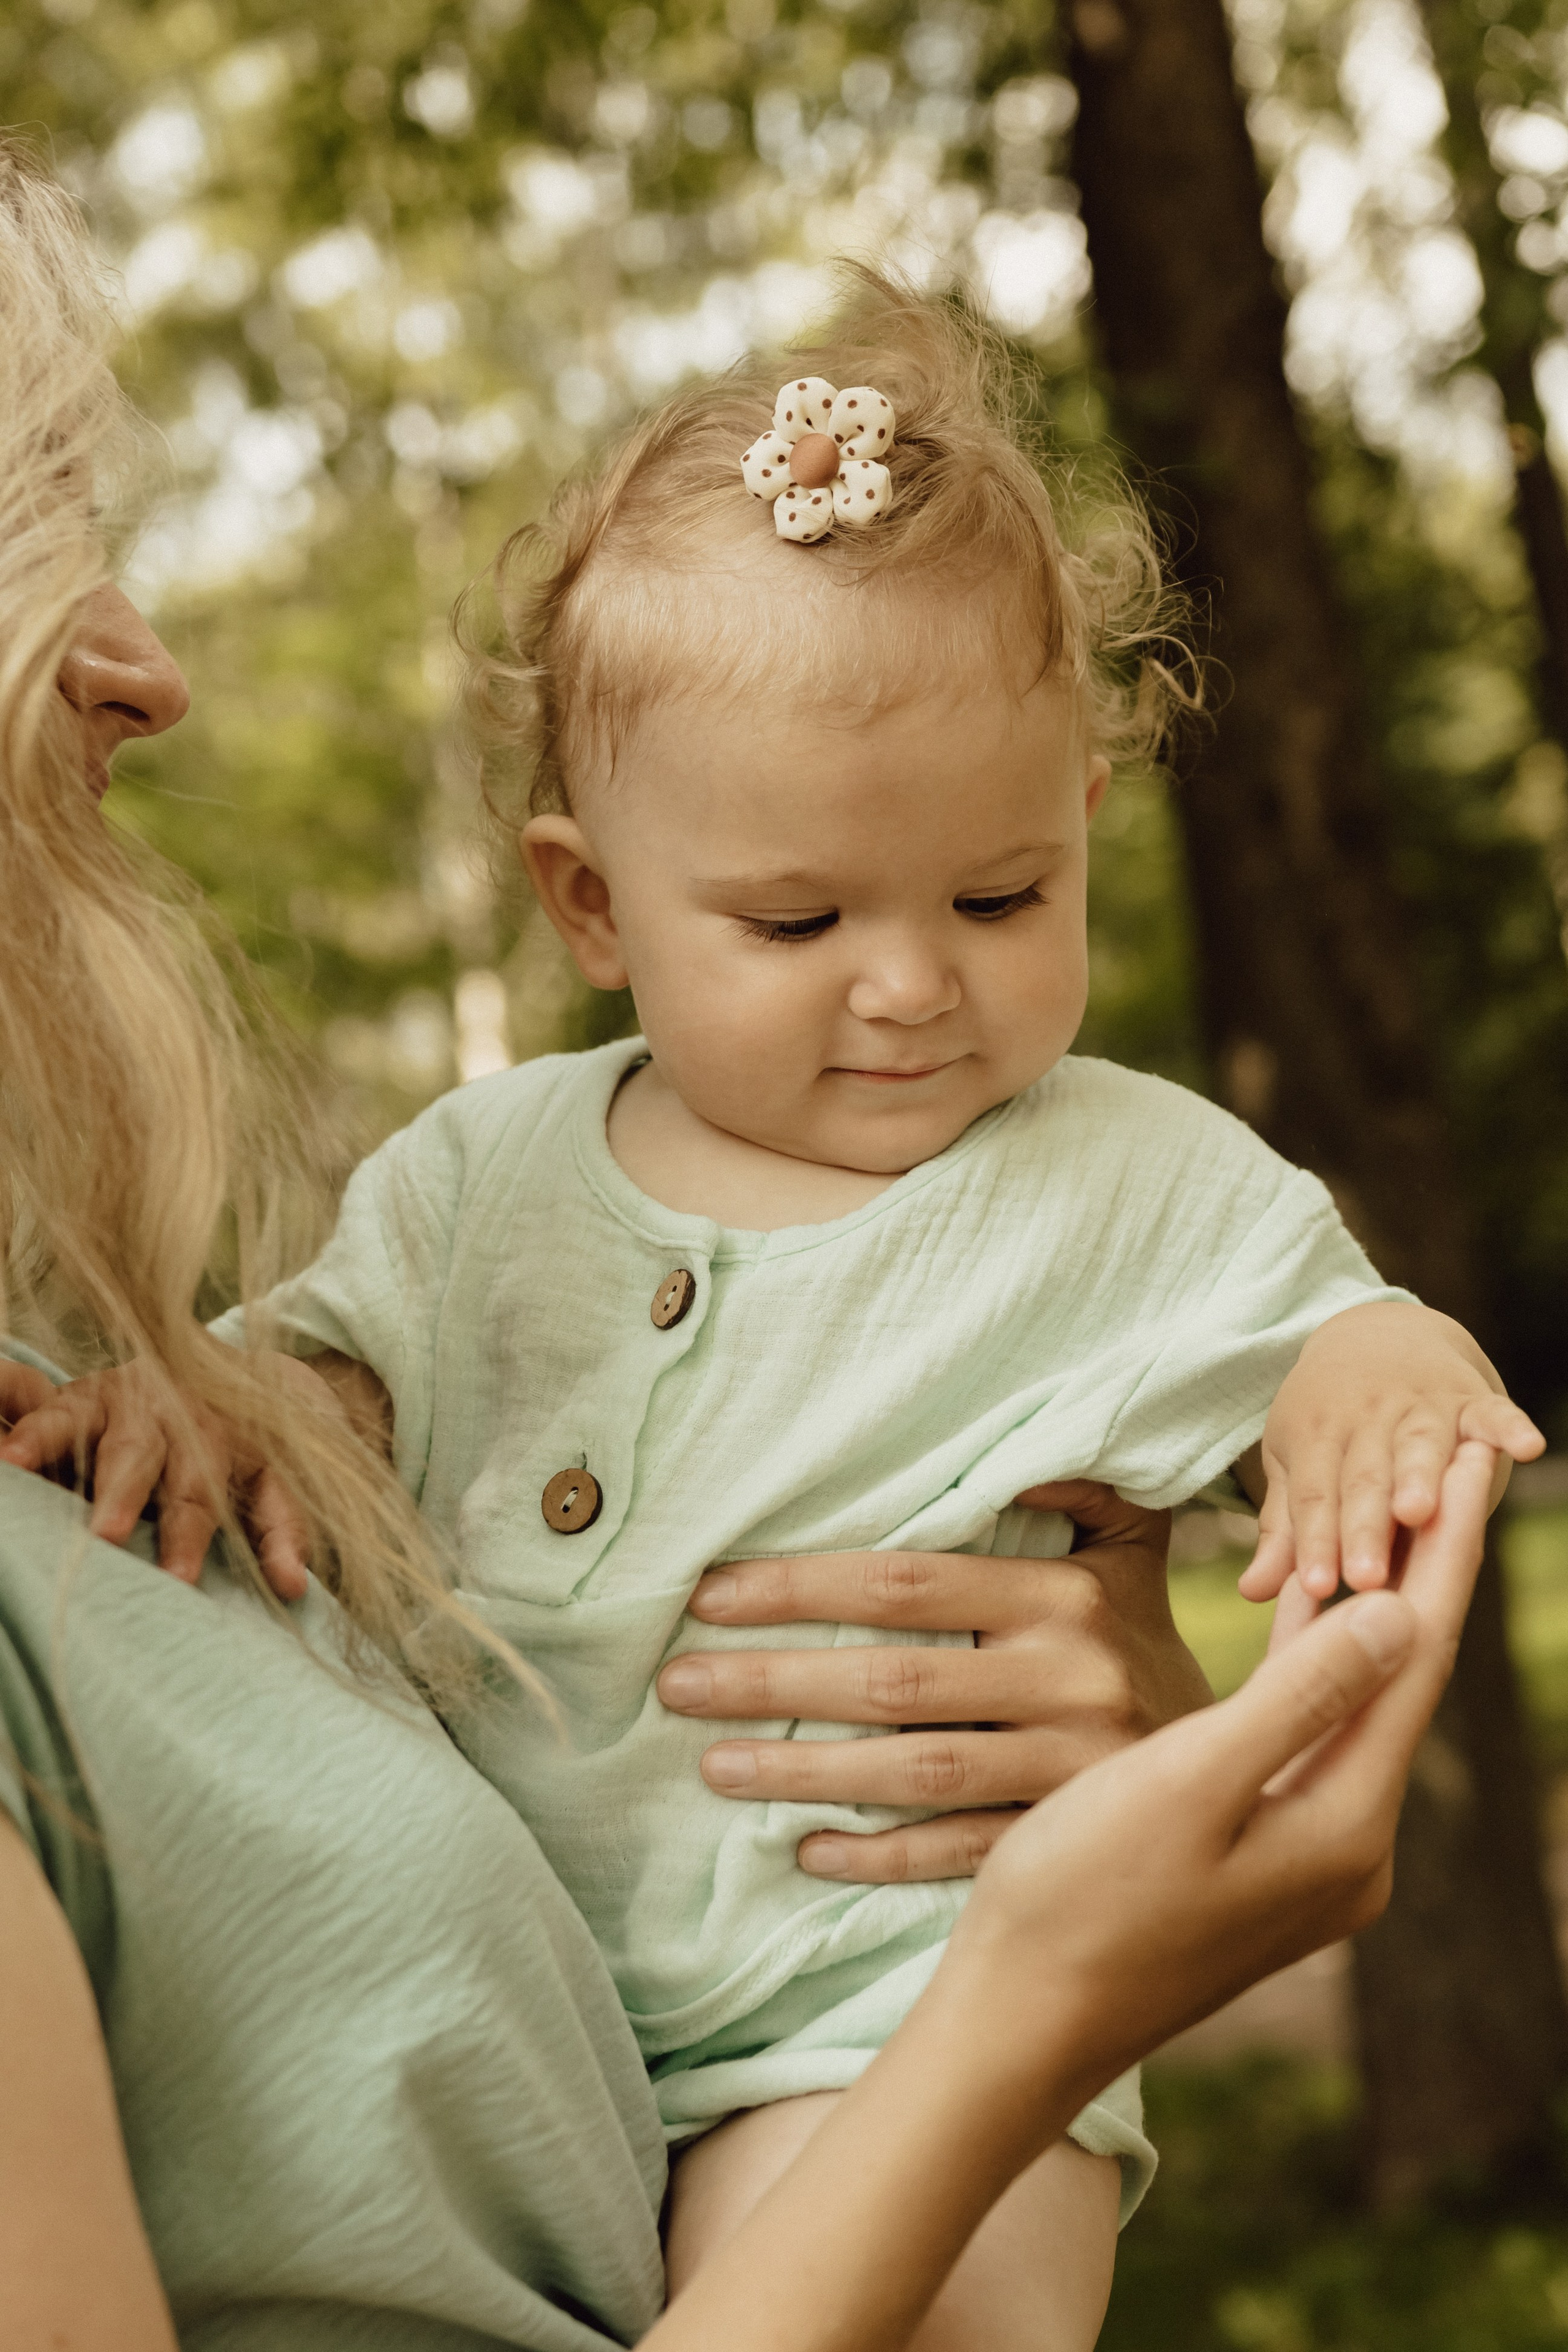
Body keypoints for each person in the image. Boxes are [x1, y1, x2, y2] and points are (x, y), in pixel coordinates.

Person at [20, 271, 1539, 2346]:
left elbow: (1344, 1327)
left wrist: (1386, 1384)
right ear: (591, 907)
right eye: (799, 918)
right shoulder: (478, 1179)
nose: (913, 983)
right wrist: (213, 1405)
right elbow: (326, 1393)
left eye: (1000, 899)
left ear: (1082, 833)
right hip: (565, 2042)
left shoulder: (1125, 1176)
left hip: (888, 2007)